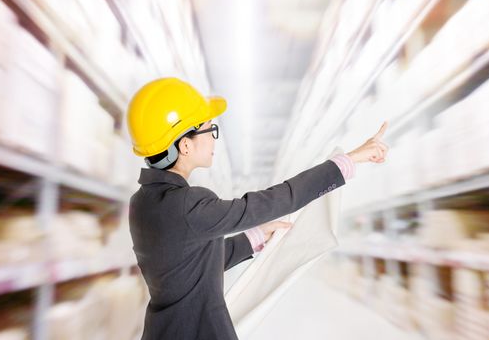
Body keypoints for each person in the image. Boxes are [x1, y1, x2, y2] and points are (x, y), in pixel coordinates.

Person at [126, 77, 389, 340]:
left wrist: (255, 238)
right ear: (185, 145)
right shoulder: (188, 203)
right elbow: (279, 199)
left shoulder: (142, 202)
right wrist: (347, 161)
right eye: (210, 130)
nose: (214, 139)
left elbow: (187, 265)